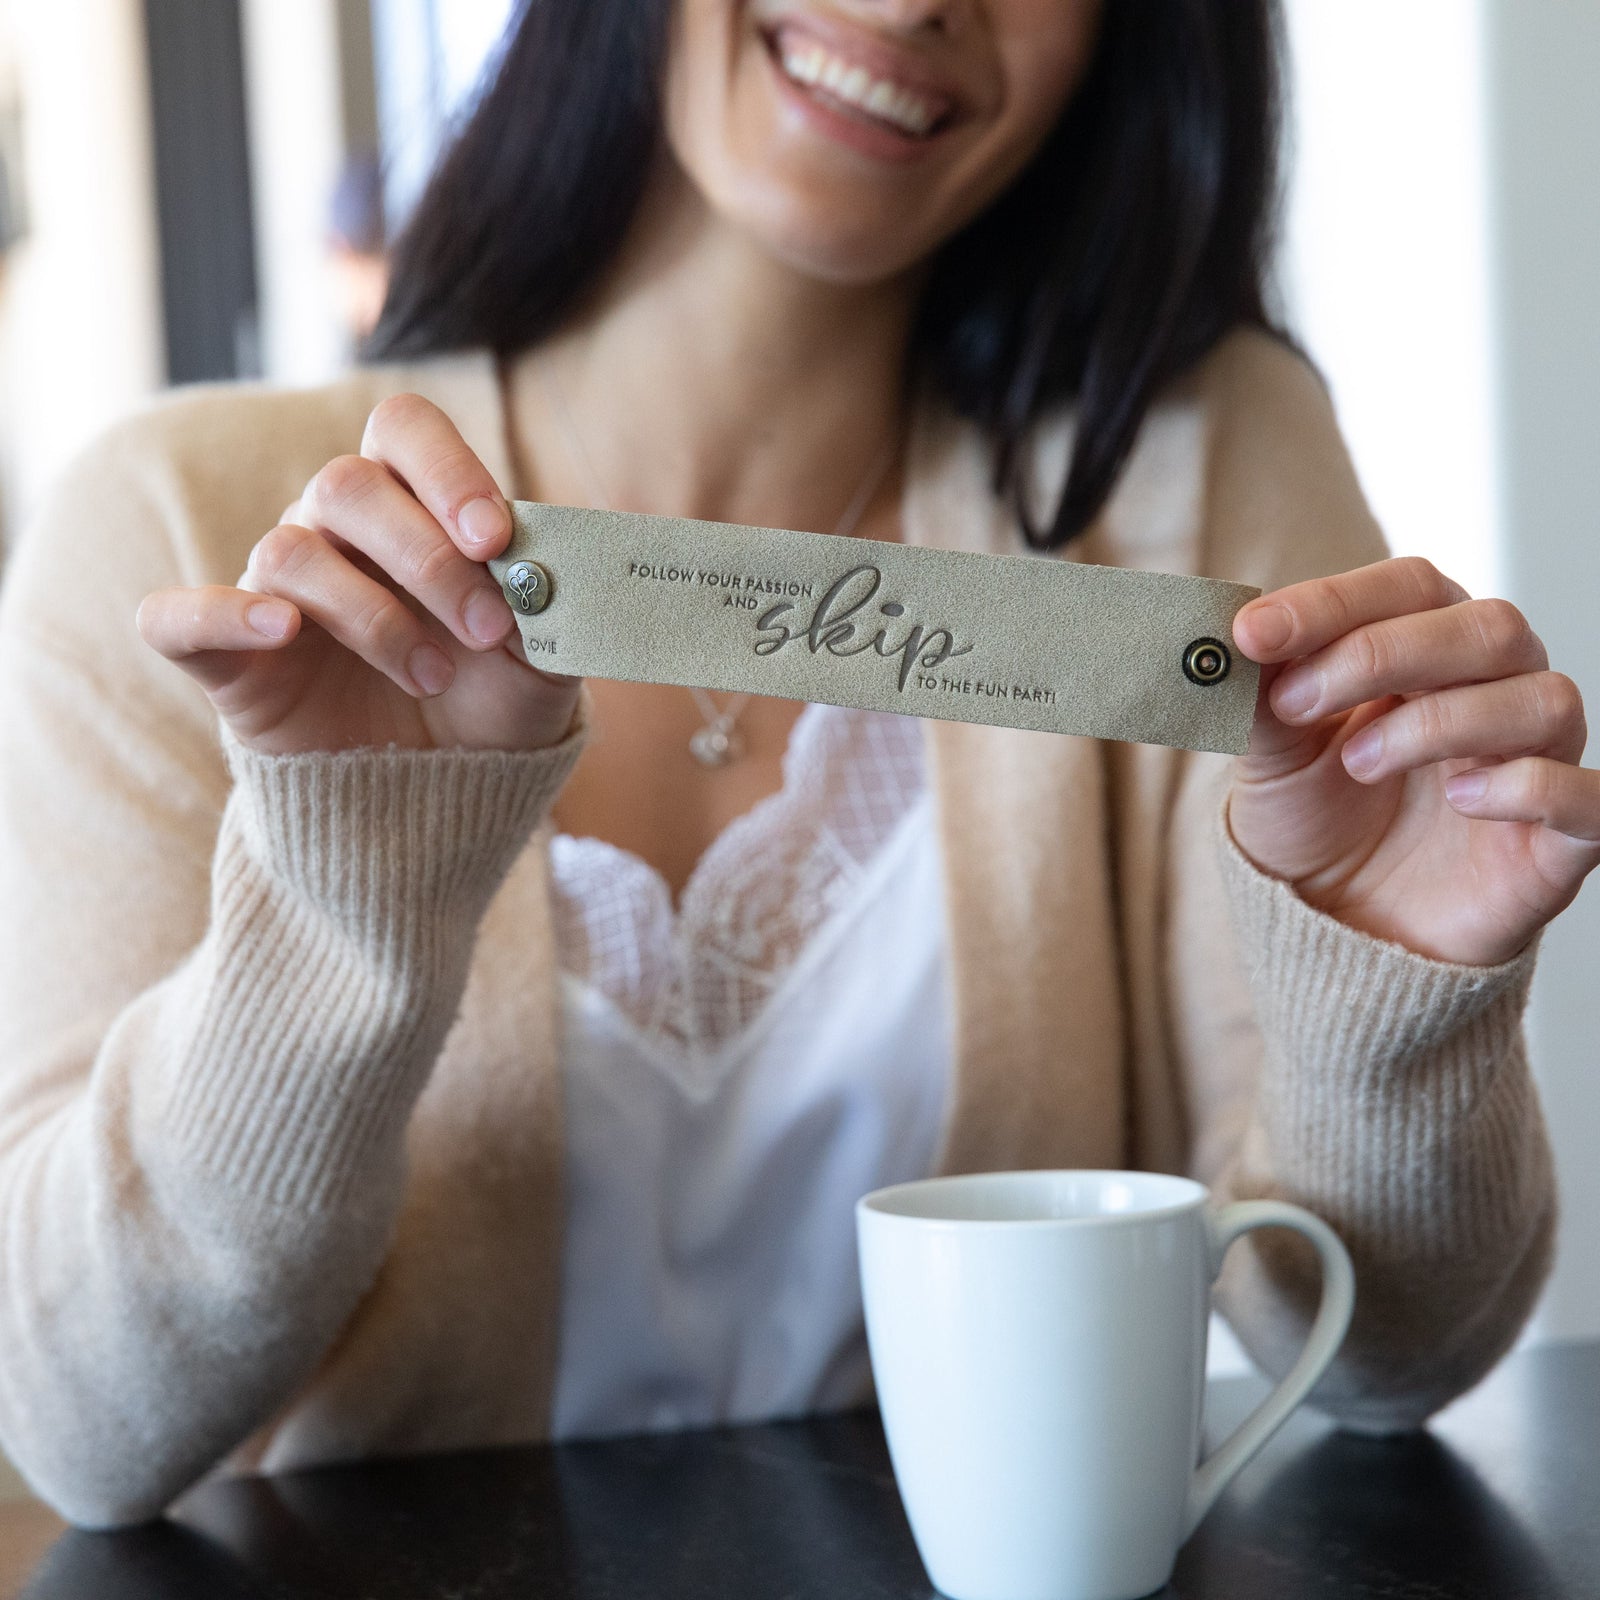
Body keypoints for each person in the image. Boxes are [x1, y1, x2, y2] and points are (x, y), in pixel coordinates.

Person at [0, 0, 1588, 1528]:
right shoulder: (183, 532)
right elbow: (80, 1420)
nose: (910, 3)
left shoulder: (1198, 462)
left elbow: (1384, 1354)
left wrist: (1384, 997)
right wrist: (353, 883)